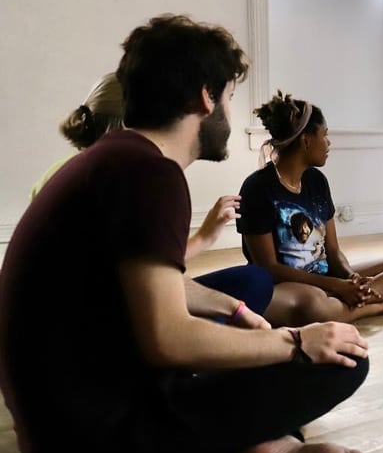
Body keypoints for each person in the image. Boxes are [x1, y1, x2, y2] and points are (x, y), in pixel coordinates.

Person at [0, 14, 370, 453]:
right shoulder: (151, 176)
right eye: (229, 98)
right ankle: (250, 446)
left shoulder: (114, 159)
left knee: (243, 328)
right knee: (343, 360)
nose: (229, 113)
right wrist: (295, 341)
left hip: (60, 441)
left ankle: (258, 444)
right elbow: (168, 340)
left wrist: (236, 311)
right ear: (204, 97)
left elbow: (151, 285)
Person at [33, 71, 269, 319]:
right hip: (94, 318)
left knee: (253, 281)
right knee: (252, 286)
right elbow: (128, 284)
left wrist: (204, 238)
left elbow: (135, 262)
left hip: (94, 300)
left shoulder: (69, 168)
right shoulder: (122, 176)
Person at [239, 91, 383, 325]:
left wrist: (350, 278)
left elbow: (332, 251)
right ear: (306, 140)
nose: (328, 143)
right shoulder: (257, 188)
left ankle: (347, 302)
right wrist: (336, 286)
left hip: (326, 278)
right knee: (314, 306)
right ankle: (367, 308)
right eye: (325, 135)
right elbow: (268, 268)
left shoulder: (316, 181)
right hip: (288, 287)